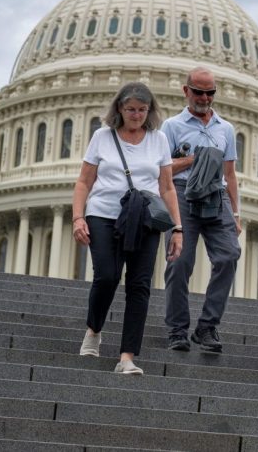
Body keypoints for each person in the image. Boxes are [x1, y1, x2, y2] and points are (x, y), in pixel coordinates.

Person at [72, 82, 182, 375]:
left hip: (144, 218)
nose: (136, 115)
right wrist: (78, 218)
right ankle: (94, 330)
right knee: (106, 275)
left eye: (142, 110)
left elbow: (167, 187)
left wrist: (177, 228)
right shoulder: (102, 137)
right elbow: (84, 181)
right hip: (104, 214)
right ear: (119, 109)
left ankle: (127, 357)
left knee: (139, 285)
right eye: (131, 109)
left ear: (150, 110)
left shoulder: (158, 140)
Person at [162, 67, 241, 353]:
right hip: (182, 193)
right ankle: (177, 329)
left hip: (216, 195)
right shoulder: (172, 126)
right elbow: (162, 170)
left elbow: (230, 174)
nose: (205, 98)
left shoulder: (225, 129)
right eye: (199, 92)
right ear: (186, 91)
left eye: (210, 93)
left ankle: (207, 326)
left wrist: (236, 213)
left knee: (229, 254)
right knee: (179, 261)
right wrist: (195, 159)